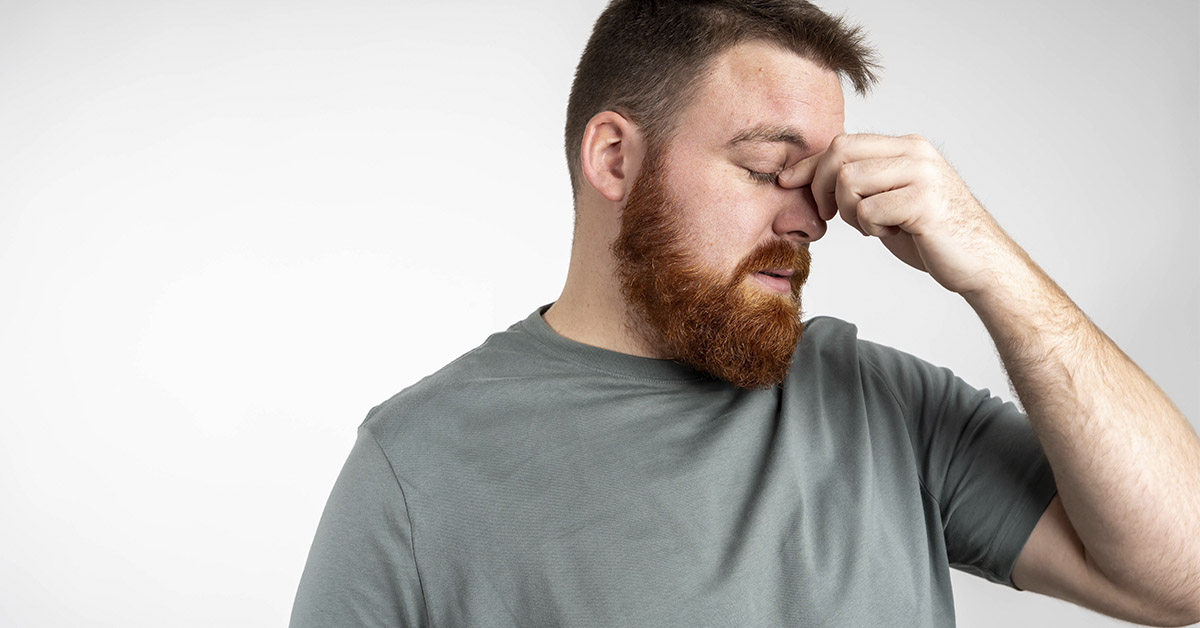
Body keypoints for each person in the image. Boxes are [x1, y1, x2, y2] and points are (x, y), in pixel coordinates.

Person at [290, 1, 1200, 626]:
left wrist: (993, 267)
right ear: (614, 159)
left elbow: (1183, 574)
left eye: (820, 182)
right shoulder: (417, 466)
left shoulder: (881, 403)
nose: (811, 220)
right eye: (769, 170)